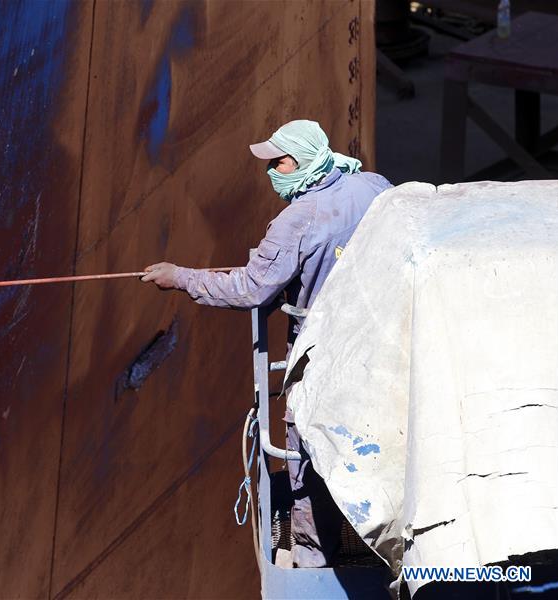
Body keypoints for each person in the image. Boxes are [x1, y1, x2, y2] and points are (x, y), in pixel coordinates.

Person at [141, 119, 392, 568]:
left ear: (304, 160)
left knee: (309, 454)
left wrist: (180, 278)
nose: (271, 171)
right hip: (379, 344)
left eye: (279, 162)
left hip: (325, 357)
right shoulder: (372, 186)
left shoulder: (298, 219)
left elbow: (251, 290)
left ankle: (315, 561)